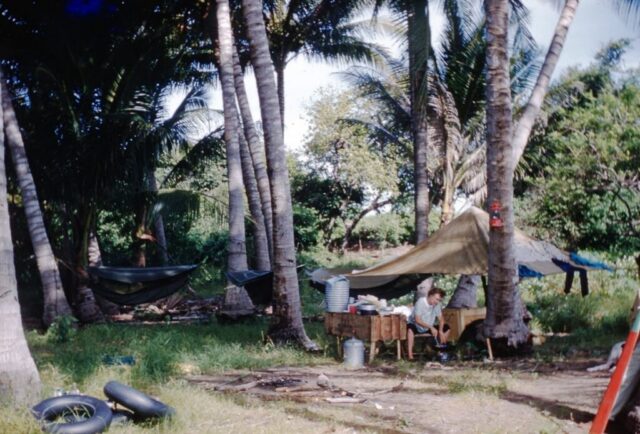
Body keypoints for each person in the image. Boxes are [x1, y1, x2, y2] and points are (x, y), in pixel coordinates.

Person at [407, 287, 450, 360]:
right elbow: (417, 320)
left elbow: (441, 320)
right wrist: (431, 327)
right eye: (436, 299)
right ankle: (410, 356)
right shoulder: (421, 302)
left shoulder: (437, 304)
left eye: (439, 300)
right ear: (430, 295)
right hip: (416, 325)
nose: (437, 301)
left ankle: (440, 351)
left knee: (447, 328)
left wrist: (440, 331)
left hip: (428, 326)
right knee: (410, 330)